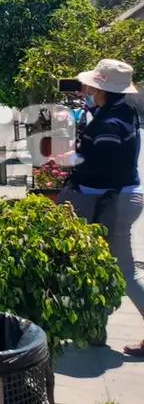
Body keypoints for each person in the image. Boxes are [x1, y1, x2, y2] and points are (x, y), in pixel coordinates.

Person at [56, 59, 143, 356]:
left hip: (114, 201)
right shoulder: (121, 111)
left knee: (125, 272)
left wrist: (70, 159)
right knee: (102, 266)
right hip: (117, 198)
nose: (87, 89)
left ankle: (94, 327)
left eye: (92, 86)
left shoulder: (111, 123)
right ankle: (95, 328)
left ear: (101, 89)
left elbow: (101, 164)